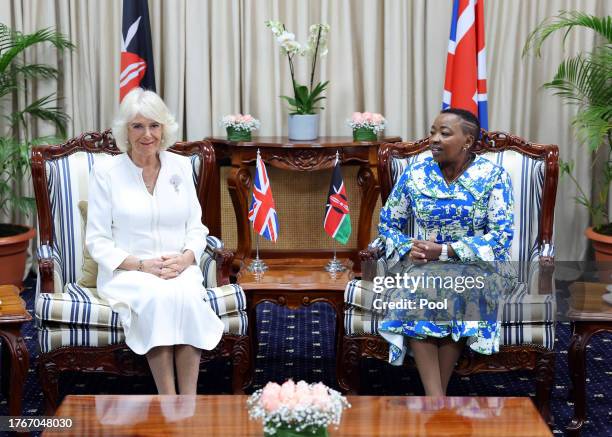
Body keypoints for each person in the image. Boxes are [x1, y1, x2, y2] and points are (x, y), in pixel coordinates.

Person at [86, 88, 224, 394]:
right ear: (125, 131)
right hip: (129, 271)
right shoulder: (106, 172)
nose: (147, 134)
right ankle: (167, 398)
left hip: (178, 266)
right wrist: (142, 265)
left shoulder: (180, 166)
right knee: (158, 298)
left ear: (164, 129)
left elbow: (197, 228)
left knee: (187, 297)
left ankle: (187, 400)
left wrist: (187, 258)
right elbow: (97, 240)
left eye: (154, 125)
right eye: (137, 126)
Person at [376, 108, 516, 396]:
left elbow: (501, 237)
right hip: (423, 265)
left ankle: (434, 400)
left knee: (458, 287)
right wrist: (408, 247)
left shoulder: (493, 176)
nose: (434, 139)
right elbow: (388, 223)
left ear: (467, 140)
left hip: (478, 266)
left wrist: (446, 251)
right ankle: (437, 400)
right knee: (419, 287)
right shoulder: (416, 174)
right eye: (432, 132)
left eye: (444, 133)